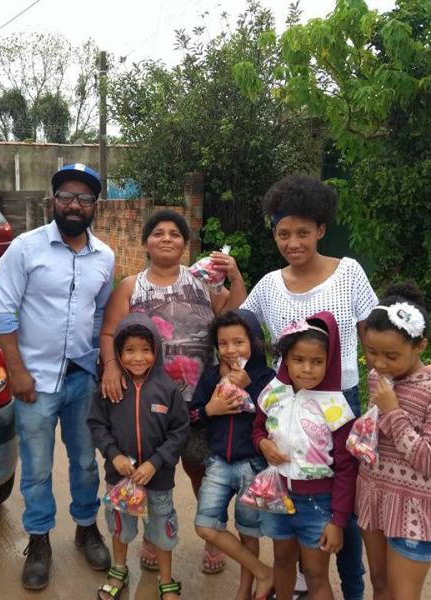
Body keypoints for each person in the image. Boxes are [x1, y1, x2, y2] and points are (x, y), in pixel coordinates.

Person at [241, 174, 375, 599]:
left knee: (342, 502)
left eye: (303, 232)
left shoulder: (348, 273)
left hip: (340, 403)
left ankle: (352, 587)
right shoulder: (268, 284)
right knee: (294, 487)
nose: (293, 242)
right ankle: (299, 581)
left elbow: (373, 335)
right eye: (283, 233)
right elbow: (241, 330)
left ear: (321, 229)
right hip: (288, 406)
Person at [0, 163, 115, 590]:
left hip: (82, 377)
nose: (74, 205)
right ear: (53, 201)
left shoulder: (105, 256)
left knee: (84, 462)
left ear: (95, 205)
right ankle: (39, 539)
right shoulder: (25, 249)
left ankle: (86, 528)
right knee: (38, 468)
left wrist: (100, 360)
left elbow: (99, 311)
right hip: (34, 382)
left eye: (84, 198)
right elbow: (2, 313)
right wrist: (16, 371)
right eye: (66, 196)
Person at [99, 209, 245, 573]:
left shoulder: (202, 281)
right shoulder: (132, 286)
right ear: (146, 243)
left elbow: (234, 312)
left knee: (201, 471)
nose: (167, 238)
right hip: (148, 402)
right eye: (158, 233)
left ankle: (214, 535)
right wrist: (113, 367)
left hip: (200, 400)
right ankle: (151, 534)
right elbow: (108, 333)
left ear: (185, 244)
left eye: (175, 234)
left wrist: (235, 274)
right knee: (150, 471)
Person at [357, 283, 431, 600]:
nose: (379, 363)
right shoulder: (378, 378)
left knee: (403, 595)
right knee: (379, 585)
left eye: (392, 355)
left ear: (420, 345)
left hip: (415, 504)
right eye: (371, 352)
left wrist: (392, 412)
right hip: (375, 494)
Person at [253, 312, 359, 600]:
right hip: (278, 498)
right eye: (299, 359)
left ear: (330, 361)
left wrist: (338, 521)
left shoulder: (336, 406)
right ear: (286, 359)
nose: (308, 369)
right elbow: (257, 429)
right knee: (283, 563)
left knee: (315, 574)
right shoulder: (274, 392)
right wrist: (263, 444)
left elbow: (347, 468)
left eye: (317, 361)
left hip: (318, 505)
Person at [88, 313, 189, 600]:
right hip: (119, 478)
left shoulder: (168, 390)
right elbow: (96, 424)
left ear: (156, 351)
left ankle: (166, 580)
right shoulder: (108, 389)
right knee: (120, 526)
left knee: (162, 527)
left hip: (158, 480)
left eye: (146, 349)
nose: (138, 357)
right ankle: (118, 569)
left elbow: (179, 431)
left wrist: (155, 463)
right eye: (129, 350)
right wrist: (113, 454)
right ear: (118, 353)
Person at [191, 310, 275, 600]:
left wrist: (248, 386)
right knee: (205, 525)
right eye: (223, 344)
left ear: (254, 342)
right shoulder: (211, 376)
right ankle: (264, 572)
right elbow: (192, 416)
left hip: (252, 465)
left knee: (248, 532)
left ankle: (244, 590)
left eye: (239, 342)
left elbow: (273, 419)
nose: (231, 350)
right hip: (217, 462)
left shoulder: (266, 378)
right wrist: (209, 410)